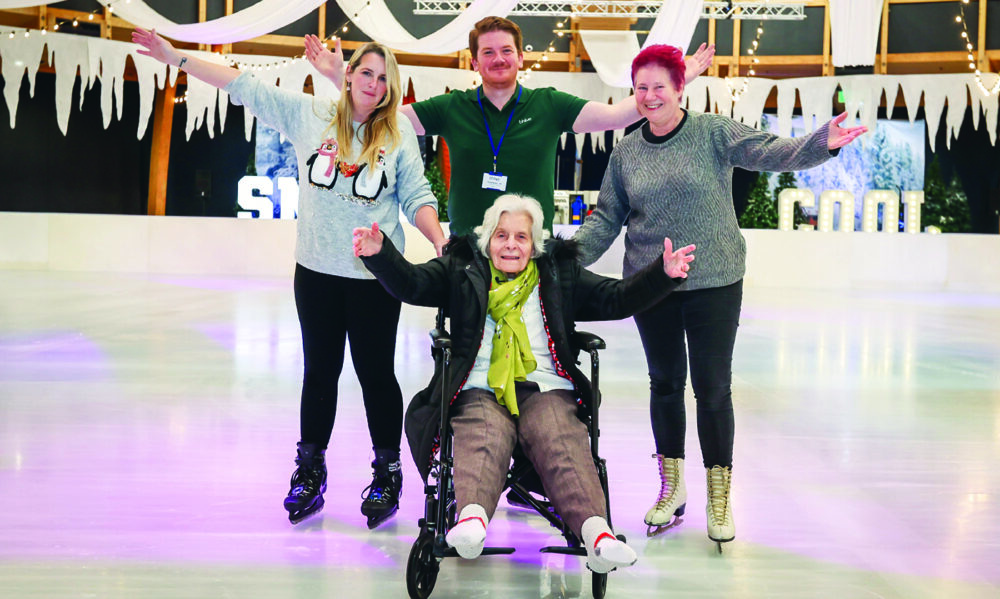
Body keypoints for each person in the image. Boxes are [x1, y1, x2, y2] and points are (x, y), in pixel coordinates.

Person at [132, 28, 447, 529]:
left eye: (383, 77)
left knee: (375, 375)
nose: (373, 83)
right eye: (365, 72)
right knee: (319, 373)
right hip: (316, 274)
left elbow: (415, 196)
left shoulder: (398, 135)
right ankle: (310, 469)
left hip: (376, 278)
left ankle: (388, 471)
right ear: (349, 76)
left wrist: (438, 238)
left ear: (392, 87)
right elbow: (244, 85)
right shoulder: (313, 117)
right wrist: (179, 59)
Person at [573, 45, 867, 545]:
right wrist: (561, 260)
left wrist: (824, 143)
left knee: (711, 388)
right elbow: (606, 219)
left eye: (658, 87)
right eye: (640, 88)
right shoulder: (626, 152)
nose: (648, 97)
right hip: (651, 281)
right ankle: (672, 487)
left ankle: (719, 492)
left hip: (715, 279)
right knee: (664, 383)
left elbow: (772, 151)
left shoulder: (712, 132)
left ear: (680, 88)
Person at [352, 194, 695, 573]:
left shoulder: (558, 273)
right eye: (502, 236)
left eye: (521, 237)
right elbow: (413, 284)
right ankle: (471, 521)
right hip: (479, 384)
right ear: (487, 240)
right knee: (483, 433)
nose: (511, 245)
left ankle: (598, 535)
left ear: (534, 245)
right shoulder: (462, 267)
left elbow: (613, 298)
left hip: (544, 386)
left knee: (560, 435)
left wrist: (661, 274)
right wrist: (380, 255)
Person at [305, 17, 715, 235]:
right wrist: (338, 77)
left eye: (506, 51)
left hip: (532, 250)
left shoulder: (549, 104)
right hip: (466, 251)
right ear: (474, 62)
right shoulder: (452, 107)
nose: (498, 58)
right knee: (464, 360)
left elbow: (618, 115)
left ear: (521, 57)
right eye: (488, 52)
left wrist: (680, 80)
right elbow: (383, 117)